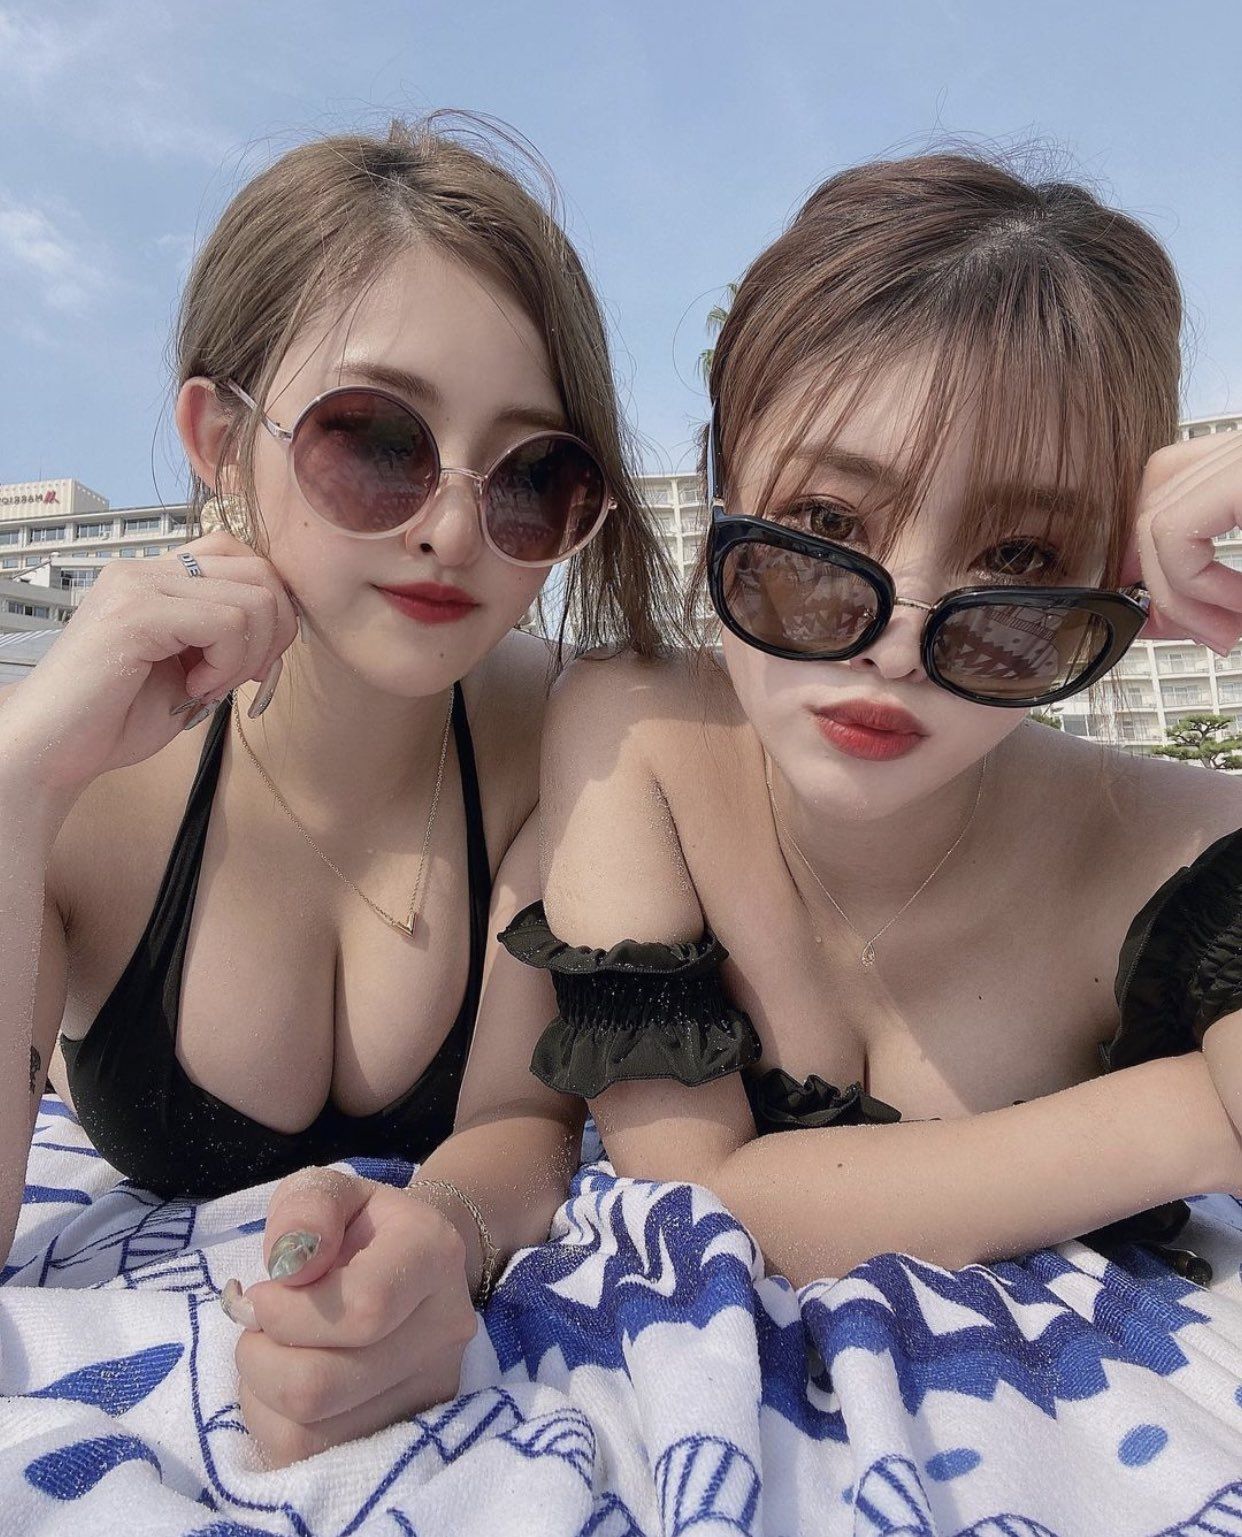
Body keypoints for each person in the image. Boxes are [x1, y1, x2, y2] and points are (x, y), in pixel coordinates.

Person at [0, 114, 676, 1465]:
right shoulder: (81, 781)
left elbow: (514, 1123)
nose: (452, 528)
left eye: (534, 477)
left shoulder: (570, 740)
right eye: (375, 441)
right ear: (218, 438)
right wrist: (18, 788)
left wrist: (441, 1234)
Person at [501, 151, 1242, 1295]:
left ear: (1114, 576)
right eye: (828, 520)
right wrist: (1197, 1114)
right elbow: (693, 1202)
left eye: (1019, 556)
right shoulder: (636, 730)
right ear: (724, 485)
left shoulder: (1191, 854)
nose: (895, 642)